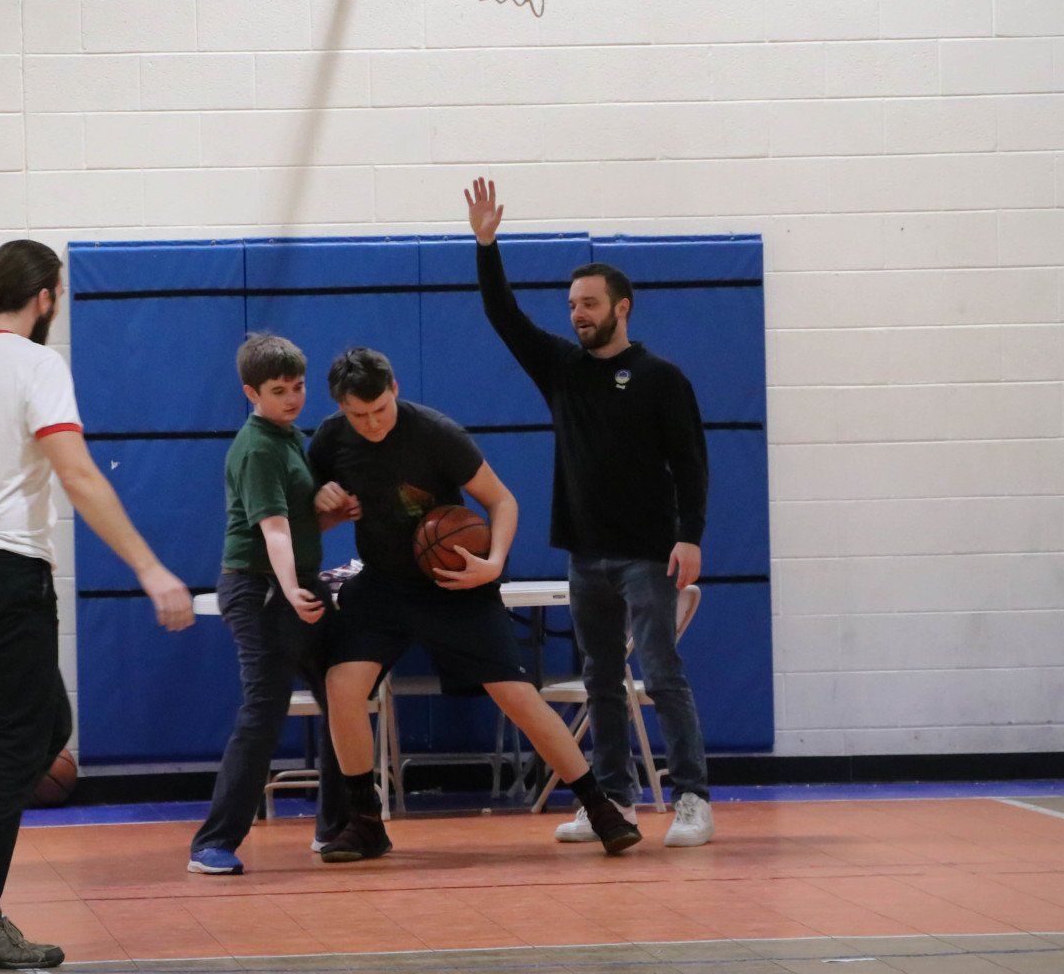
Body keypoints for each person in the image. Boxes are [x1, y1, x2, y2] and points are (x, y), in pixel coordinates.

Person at [0, 240, 193, 969]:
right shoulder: (39, 366)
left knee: (48, 724)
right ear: (44, 298)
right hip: (9, 572)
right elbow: (78, 475)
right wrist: (150, 566)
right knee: (18, 745)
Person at [307, 347, 642, 862]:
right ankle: (366, 822)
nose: (372, 423)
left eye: (380, 409)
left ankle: (601, 809)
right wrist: (324, 507)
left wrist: (494, 562)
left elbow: (502, 500)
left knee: (517, 695)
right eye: (359, 415)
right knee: (341, 685)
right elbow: (313, 518)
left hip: (453, 581)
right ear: (341, 408)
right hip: (383, 585)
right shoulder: (330, 438)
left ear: (394, 389)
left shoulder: (436, 432)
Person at [465, 178, 715, 848]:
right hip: (584, 553)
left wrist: (690, 539)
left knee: (660, 673)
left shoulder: (663, 379)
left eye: (589, 303)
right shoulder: (561, 369)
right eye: (572, 304)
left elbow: (692, 464)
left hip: (648, 554)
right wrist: (486, 246)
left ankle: (692, 795)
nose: (577, 313)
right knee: (601, 678)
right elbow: (504, 317)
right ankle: (614, 799)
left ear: (621, 308)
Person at [188, 334, 353, 875]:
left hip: (293, 582)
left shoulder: (288, 437)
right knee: (264, 711)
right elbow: (274, 531)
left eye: (299, 387)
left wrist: (333, 514)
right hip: (260, 588)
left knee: (343, 698)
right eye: (278, 390)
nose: (292, 398)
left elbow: (299, 523)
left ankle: (335, 827)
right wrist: (291, 591)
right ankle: (212, 844)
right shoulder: (258, 446)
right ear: (250, 392)